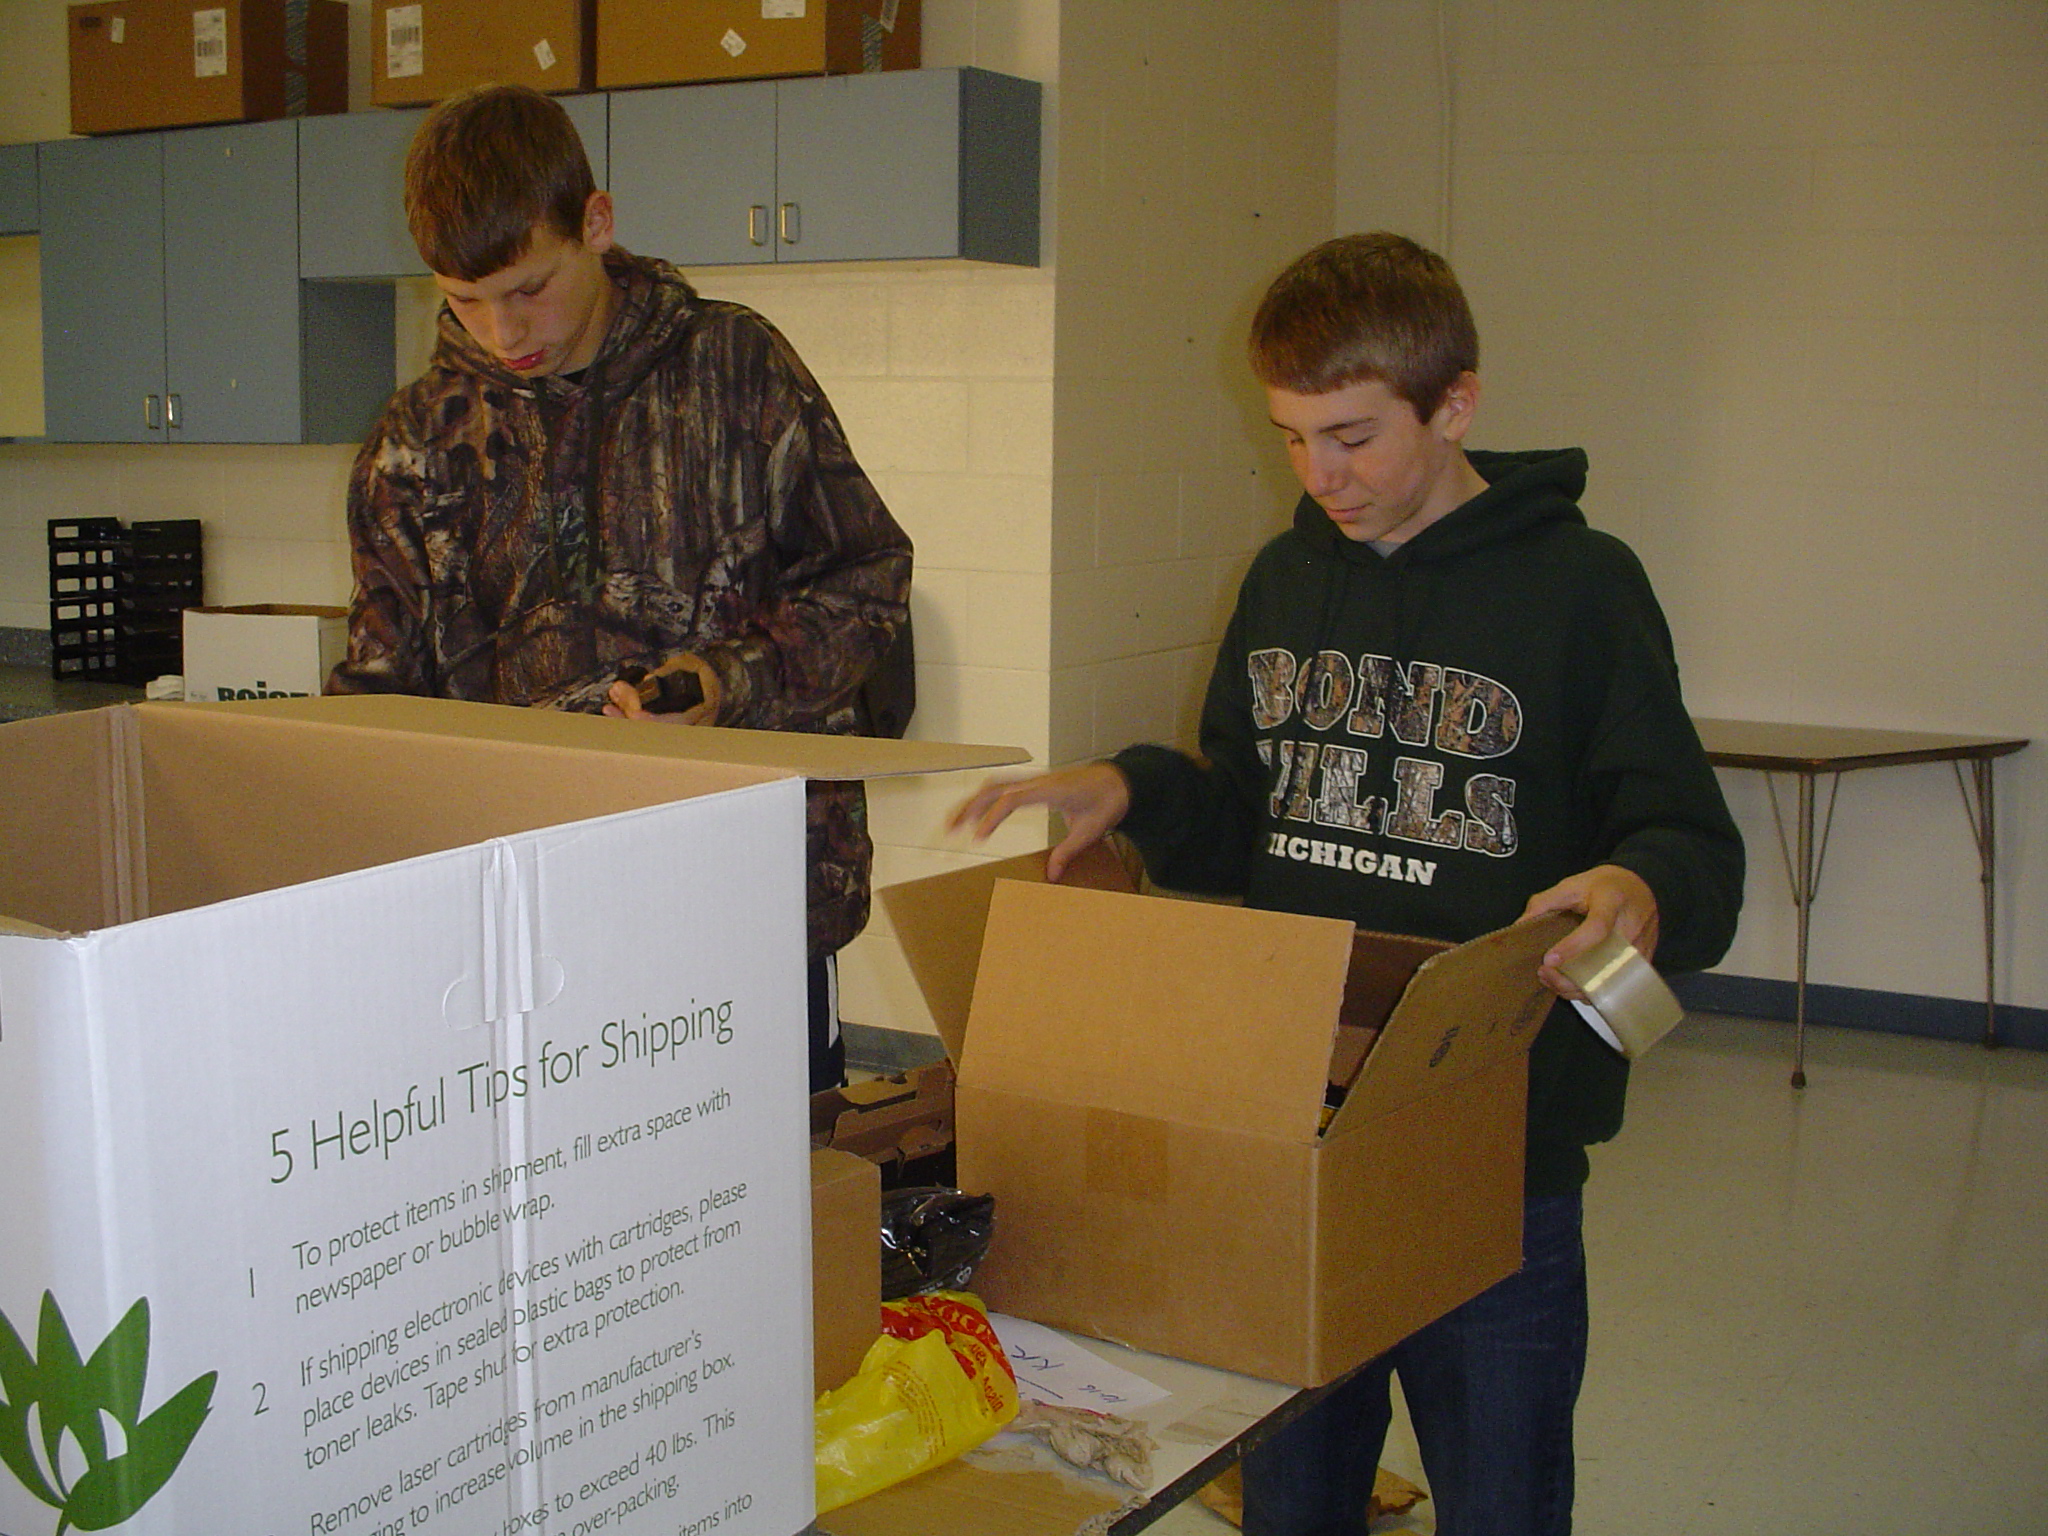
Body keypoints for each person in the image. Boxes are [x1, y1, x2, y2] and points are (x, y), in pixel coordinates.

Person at [951, 232, 1743, 1535]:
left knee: (1502, 1497)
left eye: (1356, 437)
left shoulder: (1581, 591)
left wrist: (1641, 886)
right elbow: (1242, 822)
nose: (1322, 476)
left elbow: (1693, 847)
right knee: (1297, 1502)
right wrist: (1139, 794)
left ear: (1456, 403)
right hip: (1298, 1135)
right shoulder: (1286, 576)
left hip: (1494, 1160)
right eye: (1293, 437)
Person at [326, 84, 911, 1095]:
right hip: (521, 938)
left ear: (597, 223)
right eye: (463, 299)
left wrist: (730, 679)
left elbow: (867, 580)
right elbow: (379, 699)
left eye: (529, 287)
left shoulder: (736, 368)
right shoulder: (416, 443)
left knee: (783, 1215)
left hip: (745, 907)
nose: (503, 329)